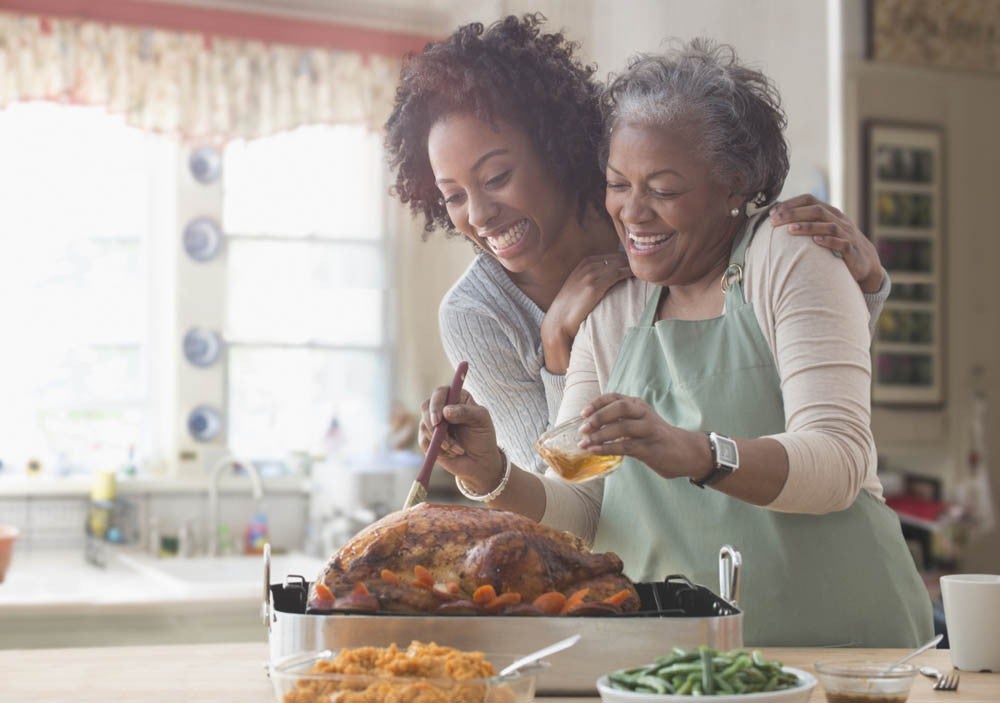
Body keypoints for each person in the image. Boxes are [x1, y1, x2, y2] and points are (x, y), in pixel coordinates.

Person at [419, 38, 933, 648]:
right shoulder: (612, 306)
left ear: (734, 183)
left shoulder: (791, 255)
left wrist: (695, 452)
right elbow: (582, 509)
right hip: (670, 658)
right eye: (617, 184)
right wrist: (491, 474)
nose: (633, 214)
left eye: (662, 189)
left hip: (839, 649)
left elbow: (839, 462)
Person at [386, 15, 891, 481]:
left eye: (497, 177)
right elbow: (563, 494)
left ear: (557, 146)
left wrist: (863, 289)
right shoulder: (477, 315)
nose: (477, 215)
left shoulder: (667, 234)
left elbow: (800, 392)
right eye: (452, 196)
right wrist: (556, 350)